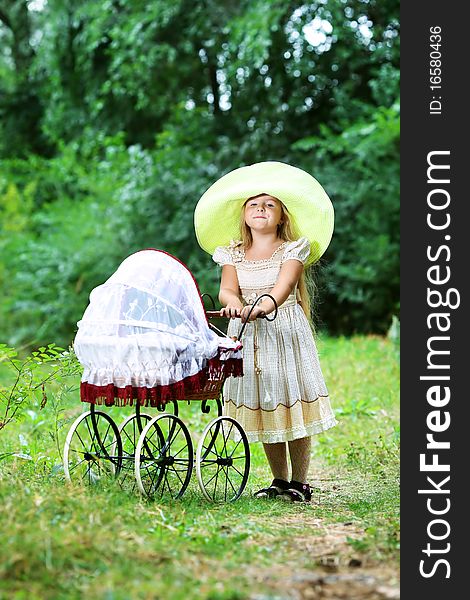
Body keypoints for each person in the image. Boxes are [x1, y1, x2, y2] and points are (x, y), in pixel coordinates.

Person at [194, 161, 337, 502]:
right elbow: (228, 289)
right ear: (244, 215)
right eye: (253, 205)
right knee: (266, 399)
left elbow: (284, 286)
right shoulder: (233, 253)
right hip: (248, 333)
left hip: (283, 329)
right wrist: (232, 303)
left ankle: (300, 482)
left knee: (291, 400)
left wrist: (264, 305)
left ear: (281, 217)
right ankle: (279, 480)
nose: (260, 208)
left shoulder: (292, 249)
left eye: (269, 204)